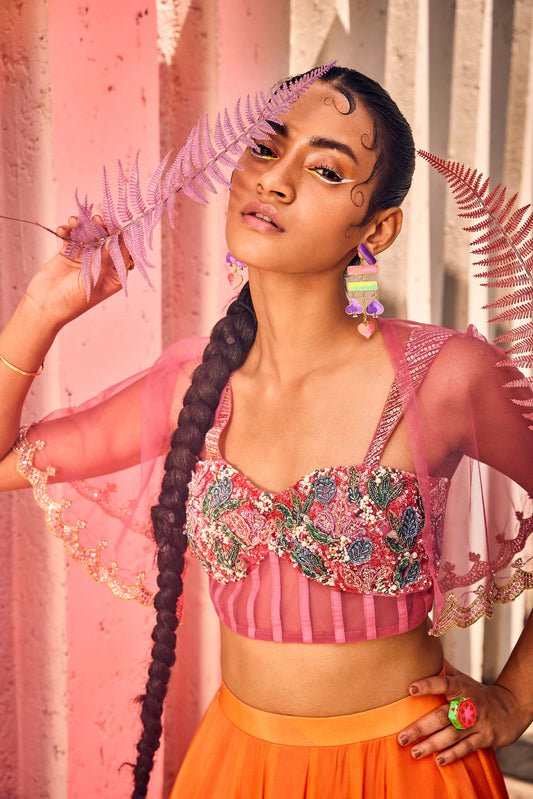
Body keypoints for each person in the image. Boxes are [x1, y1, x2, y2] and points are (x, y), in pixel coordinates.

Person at [0, 66, 532, 799]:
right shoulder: (197, 384)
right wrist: (43, 307)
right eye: (262, 148)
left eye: (324, 168)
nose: (275, 182)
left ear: (375, 228)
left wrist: (514, 699)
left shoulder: (445, 375)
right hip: (236, 765)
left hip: (403, 769)